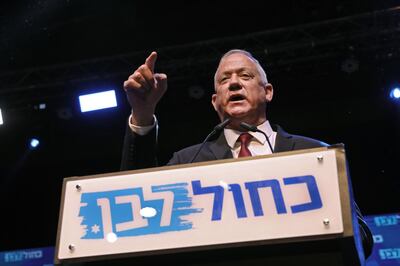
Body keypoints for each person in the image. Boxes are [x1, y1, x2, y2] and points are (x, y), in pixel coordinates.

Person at [120, 49, 373, 258]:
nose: (233, 83)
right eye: (224, 79)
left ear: (268, 91)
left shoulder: (315, 154)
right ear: (214, 100)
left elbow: (360, 235)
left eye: (245, 76)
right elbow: (138, 209)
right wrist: (142, 114)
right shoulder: (187, 162)